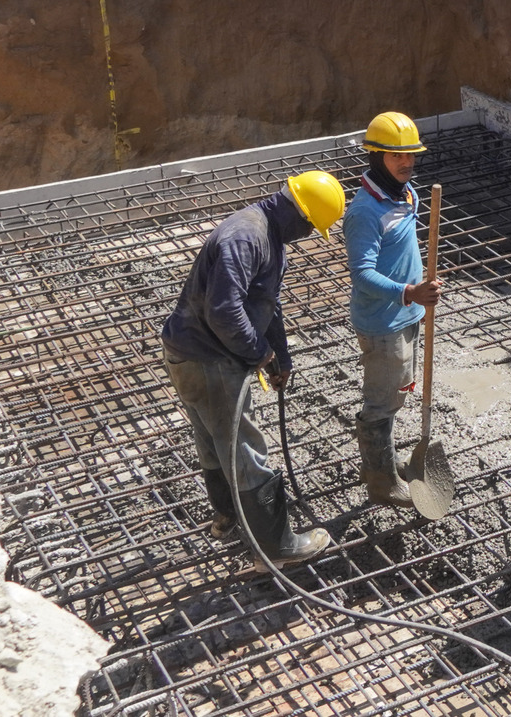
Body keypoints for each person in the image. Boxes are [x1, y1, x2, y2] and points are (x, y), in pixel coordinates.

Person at [160, 170, 345, 564]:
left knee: (215, 439)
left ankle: (228, 516)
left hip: (200, 353)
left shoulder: (267, 233)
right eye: (312, 227)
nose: (310, 235)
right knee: (244, 450)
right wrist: (257, 353)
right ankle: (276, 548)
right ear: (299, 214)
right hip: (206, 357)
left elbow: (263, 303)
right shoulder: (246, 237)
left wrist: (278, 355)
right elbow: (225, 310)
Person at [342, 111, 443, 508]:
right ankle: (381, 482)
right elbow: (362, 274)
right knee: (383, 401)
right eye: (396, 157)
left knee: (396, 393)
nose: (407, 163)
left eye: (411, 156)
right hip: (383, 322)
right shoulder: (364, 212)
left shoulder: (408, 193)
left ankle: (379, 463)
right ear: (375, 157)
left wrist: (419, 289)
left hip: (407, 313)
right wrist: (410, 291)